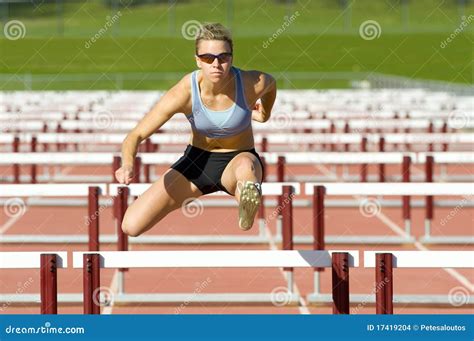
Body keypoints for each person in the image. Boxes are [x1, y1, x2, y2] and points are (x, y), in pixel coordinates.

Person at [115, 22, 276, 237]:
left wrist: (264, 113)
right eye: (208, 58)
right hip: (197, 163)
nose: (216, 64)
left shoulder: (249, 83)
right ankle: (245, 194)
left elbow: (271, 84)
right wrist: (127, 164)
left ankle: (246, 202)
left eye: (223, 57)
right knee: (131, 226)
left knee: (246, 169)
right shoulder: (185, 92)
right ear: (198, 60)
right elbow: (135, 135)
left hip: (238, 158)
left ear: (232, 58)